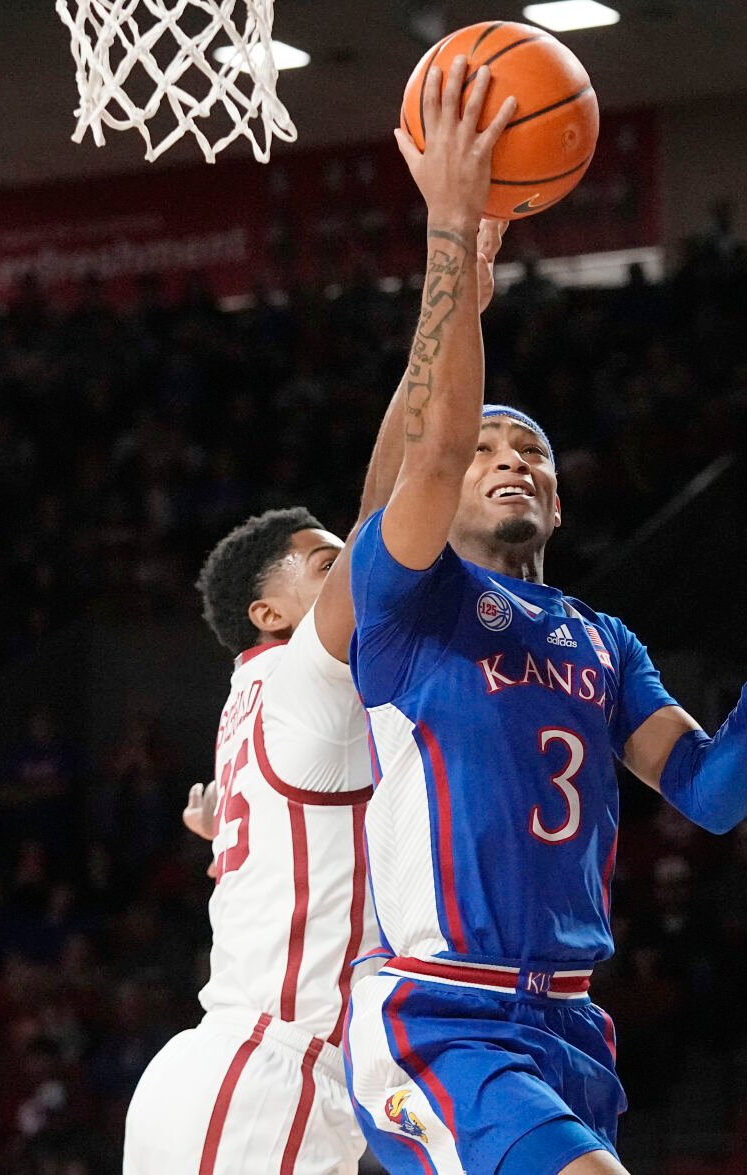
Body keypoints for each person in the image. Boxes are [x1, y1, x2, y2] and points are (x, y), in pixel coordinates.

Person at [341, 54, 747, 1175]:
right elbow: (424, 450)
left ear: (560, 493)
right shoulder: (405, 598)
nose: (507, 456)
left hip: (571, 1024)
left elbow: (714, 796)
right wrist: (448, 253)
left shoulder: (601, 640)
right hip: (441, 1017)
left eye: (529, 447)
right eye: (487, 446)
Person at [120, 81, 514, 1173]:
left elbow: (383, 482)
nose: (348, 561)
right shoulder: (302, 673)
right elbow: (403, 480)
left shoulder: (264, 689)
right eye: (322, 561)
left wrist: (460, 306)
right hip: (265, 1081)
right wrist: (448, 259)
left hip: (274, 1077)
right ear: (267, 610)